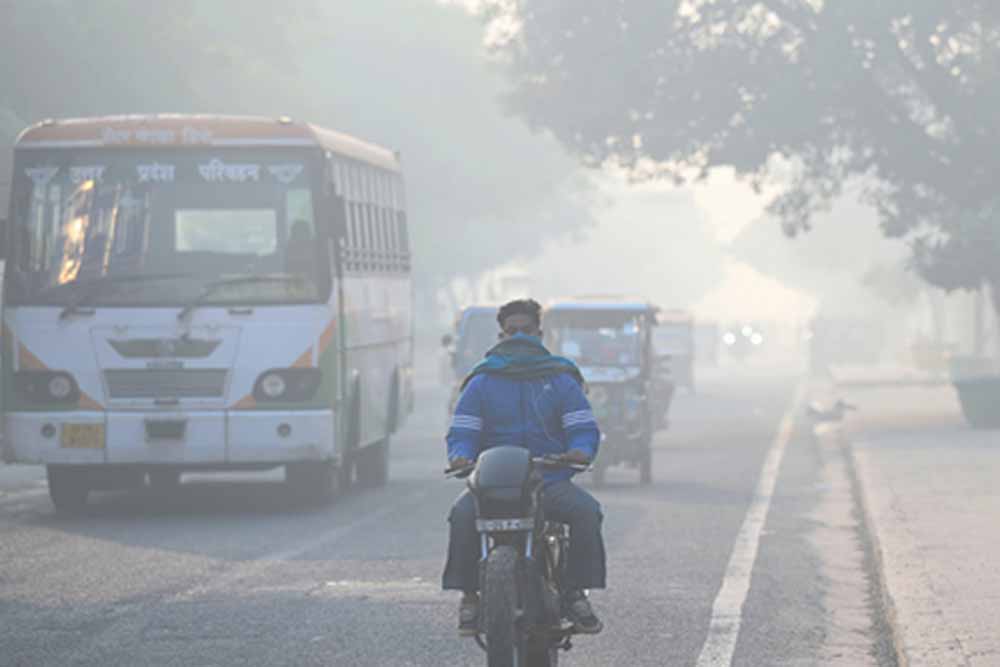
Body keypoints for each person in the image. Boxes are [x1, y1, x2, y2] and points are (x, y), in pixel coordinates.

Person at [443, 298, 606, 636]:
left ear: (540, 334)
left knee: (587, 512)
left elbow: (582, 428)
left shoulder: (561, 380)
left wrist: (579, 451)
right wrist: (460, 454)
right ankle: (470, 597)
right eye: (512, 331)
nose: (519, 336)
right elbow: (463, 432)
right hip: (492, 483)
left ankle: (575, 592)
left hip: (548, 481)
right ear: (501, 335)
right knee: (461, 516)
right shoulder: (482, 381)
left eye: (526, 330)